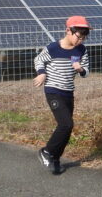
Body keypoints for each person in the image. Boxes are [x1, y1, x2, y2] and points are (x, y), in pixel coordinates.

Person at [33, 15, 91, 174]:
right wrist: (42, 73)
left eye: (84, 37)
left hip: (68, 92)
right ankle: (46, 152)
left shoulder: (81, 50)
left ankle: (55, 159)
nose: (81, 40)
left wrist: (80, 69)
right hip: (53, 90)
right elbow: (39, 60)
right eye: (79, 36)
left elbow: (86, 72)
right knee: (66, 124)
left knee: (67, 128)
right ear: (68, 31)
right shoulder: (53, 48)